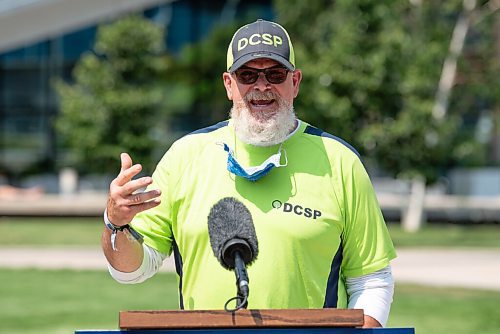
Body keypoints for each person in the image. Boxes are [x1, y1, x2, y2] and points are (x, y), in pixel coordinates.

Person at [102, 19, 396, 328]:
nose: (261, 86)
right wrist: (116, 225)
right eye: (247, 75)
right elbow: (131, 271)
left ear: (295, 82)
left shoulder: (340, 162)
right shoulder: (184, 156)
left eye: (275, 74)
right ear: (229, 84)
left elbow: (371, 279)